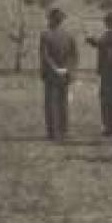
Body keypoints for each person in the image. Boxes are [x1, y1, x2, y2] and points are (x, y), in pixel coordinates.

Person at [86, 12, 112, 136]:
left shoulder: (111, 34)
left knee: (108, 101)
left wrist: (91, 40)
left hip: (110, 73)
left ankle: (111, 128)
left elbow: (101, 44)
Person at [38, 7, 78, 141]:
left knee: (51, 104)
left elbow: (45, 56)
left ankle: (53, 132)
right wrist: (67, 69)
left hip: (51, 75)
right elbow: (74, 55)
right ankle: (64, 131)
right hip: (65, 74)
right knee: (63, 103)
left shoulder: (45, 35)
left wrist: (55, 69)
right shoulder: (69, 35)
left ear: (51, 20)